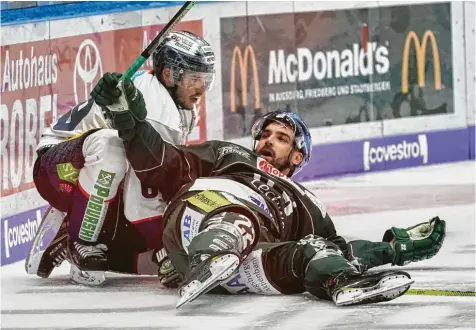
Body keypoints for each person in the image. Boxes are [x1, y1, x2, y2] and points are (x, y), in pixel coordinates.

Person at [95, 73, 446, 307]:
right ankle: (207, 256)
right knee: (238, 218)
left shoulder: (310, 206)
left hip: (243, 269)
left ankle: (343, 285)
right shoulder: (229, 155)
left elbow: (341, 247)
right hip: (201, 215)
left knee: (313, 250)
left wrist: (393, 247)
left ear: (297, 156)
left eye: (280, 138)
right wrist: (130, 123)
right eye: (264, 134)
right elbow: (164, 164)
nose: (266, 141)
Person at [25, 30, 216, 286]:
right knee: (111, 146)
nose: (201, 89)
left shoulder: (178, 105)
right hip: (57, 170)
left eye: (206, 80)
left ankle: (75, 224)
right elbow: (143, 194)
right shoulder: (159, 110)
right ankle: (83, 240)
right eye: (194, 79)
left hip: (86, 171)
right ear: (170, 74)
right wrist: (166, 243)